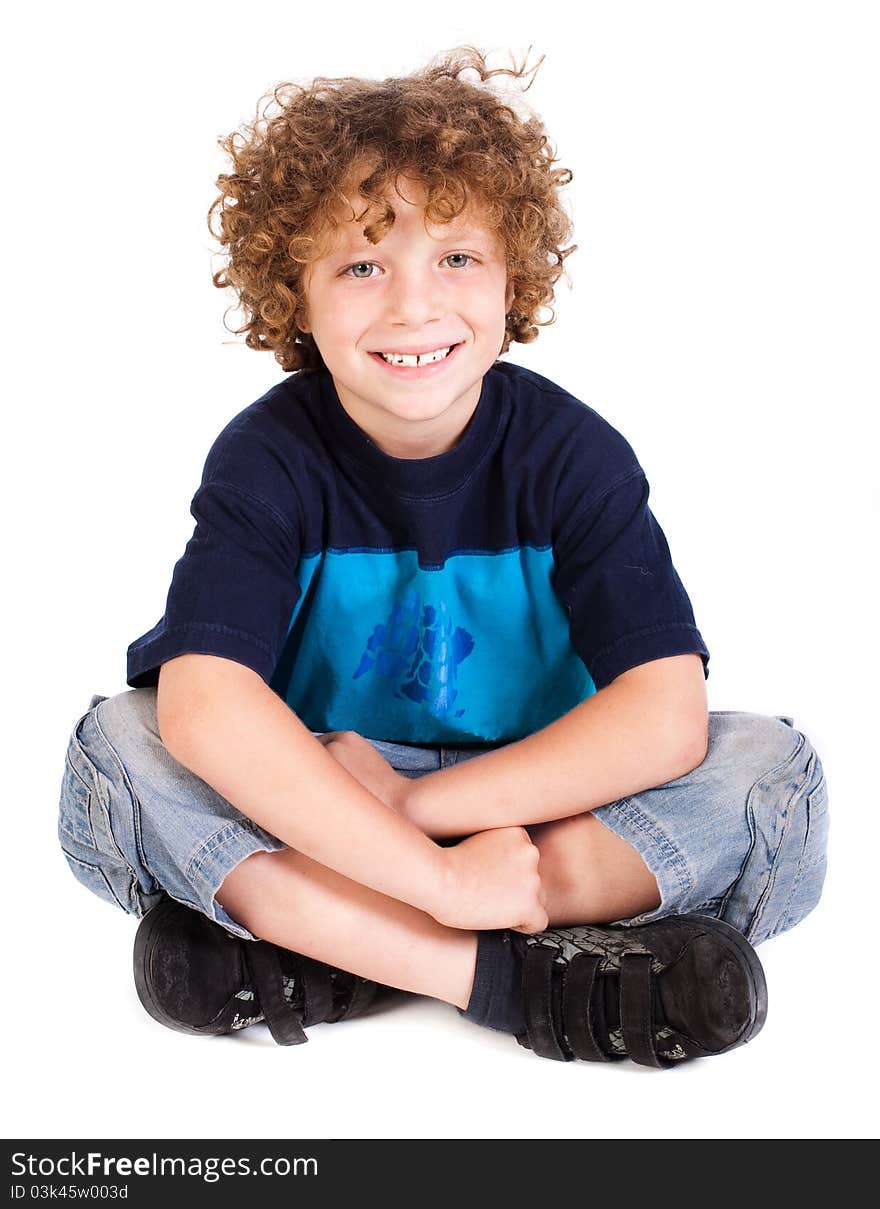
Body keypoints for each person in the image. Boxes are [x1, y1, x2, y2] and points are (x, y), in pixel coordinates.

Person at [57, 46, 828, 1068]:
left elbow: (663, 713)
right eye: (362, 265)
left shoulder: (572, 454)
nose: (413, 308)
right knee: (119, 747)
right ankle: (498, 972)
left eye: (456, 258)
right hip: (324, 790)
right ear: (296, 295)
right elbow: (205, 707)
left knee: (768, 776)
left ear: (515, 280)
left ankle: (325, 937)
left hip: (533, 801)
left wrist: (422, 811)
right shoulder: (267, 457)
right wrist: (444, 881)